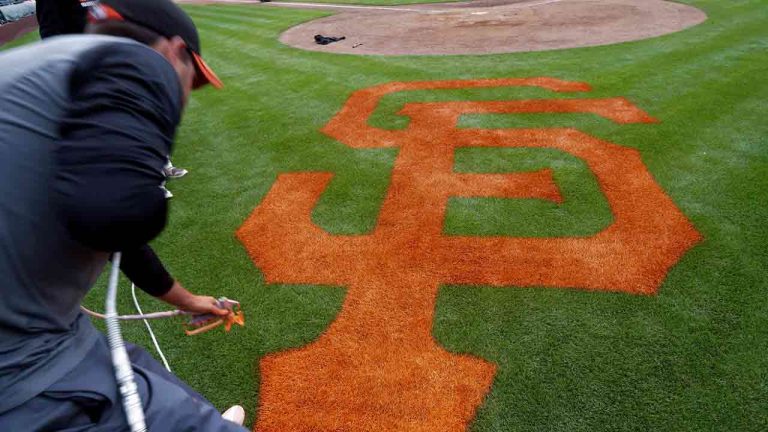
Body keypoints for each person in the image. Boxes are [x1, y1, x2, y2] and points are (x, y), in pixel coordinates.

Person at [0, 0, 247, 430]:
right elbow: (114, 214)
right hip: (21, 370)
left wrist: (185, 300)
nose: (186, 96)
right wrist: (147, 185)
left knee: (142, 369)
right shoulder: (133, 61)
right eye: (192, 79)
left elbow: (113, 235)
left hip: (44, 329)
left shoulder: (39, 66)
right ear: (173, 52)